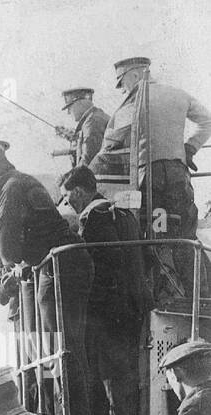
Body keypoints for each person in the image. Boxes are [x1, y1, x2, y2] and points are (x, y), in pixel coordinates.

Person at [0, 140, 96, 415]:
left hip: (57, 268)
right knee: (63, 346)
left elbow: (6, 245)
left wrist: (15, 265)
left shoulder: (10, 189)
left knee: (58, 346)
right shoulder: (20, 182)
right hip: (66, 265)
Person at [90, 57, 211, 298]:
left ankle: (163, 295)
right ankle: (199, 296)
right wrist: (189, 149)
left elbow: (112, 142)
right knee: (185, 236)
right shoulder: (179, 94)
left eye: (122, 83)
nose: (123, 89)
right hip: (179, 175)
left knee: (154, 236)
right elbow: (207, 121)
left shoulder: (134, 102)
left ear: (134, 75)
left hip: (150, 178)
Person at [60, 166, 148, 415]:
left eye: (67, 197)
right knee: (127, 365)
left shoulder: (96, 216)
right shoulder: (121, 213)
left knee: (112, 367)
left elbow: (106, 262)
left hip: (112, 306)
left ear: (77, 191)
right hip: (132, 302)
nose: (68, 203)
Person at [56, 87, 110, 169]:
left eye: (69, 108)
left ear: (79, 103)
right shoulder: (95, 117)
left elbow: (88, 159)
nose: (68, 113)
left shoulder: (92, 122)